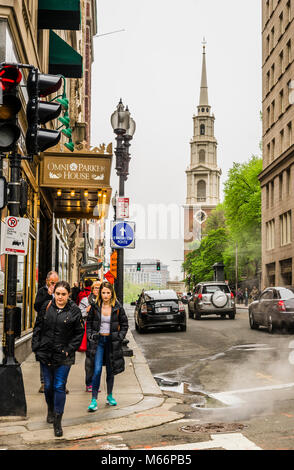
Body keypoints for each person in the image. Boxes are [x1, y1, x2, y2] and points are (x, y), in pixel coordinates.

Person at [32, 281, 84, 437]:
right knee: (48, 386)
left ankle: (57, 421)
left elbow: (78, 333)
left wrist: (68, 350)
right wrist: (36, 346)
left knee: (59, 386)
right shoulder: (46, 306)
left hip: (63, 356)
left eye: (63, 294)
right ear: (53, 293)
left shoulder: (74, 311)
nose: (60, 297)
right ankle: (50, 409)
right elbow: (38, 327)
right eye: (57, 294)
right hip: (45, 353)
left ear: (68, 295)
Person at [86, 281, 128, 412]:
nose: (105, 295)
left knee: (111, 370)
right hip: (99, 342)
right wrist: (91, 336)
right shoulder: (95, 306)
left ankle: (109, 396)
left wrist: (119, 337)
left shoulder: (117, 307)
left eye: (108, 293)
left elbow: (125, 324)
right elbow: (89, 323)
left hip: (111, 342)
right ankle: (94, 400)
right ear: (100, 293)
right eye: (103, 292)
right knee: (97, 369)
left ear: (112, 293)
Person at [34, 270, 59, 393]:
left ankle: (58, 383)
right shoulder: (42, 291)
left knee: (58, 356)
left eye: (56, 282)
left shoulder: (60, 292)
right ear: (47, 281)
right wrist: (49, 295)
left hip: (58, 328)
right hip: (44, 328)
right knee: (44, 356)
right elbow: (37, 307)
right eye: (52, 282)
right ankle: (44, 382)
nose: (54, 285)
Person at [79, 280, 101, 392]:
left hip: (102, 333)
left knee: (99, 360)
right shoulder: (85, 300)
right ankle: (89, 383)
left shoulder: (105, 300)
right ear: (92, 289)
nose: (98, 290)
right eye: (96, 288)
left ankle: (96, 383)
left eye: (100, 287)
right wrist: (87, 311)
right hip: (89, 332)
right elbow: (79, 314)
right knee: (90, 359)